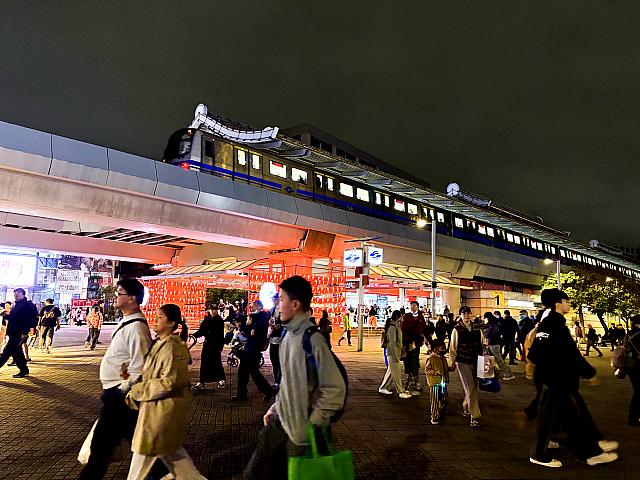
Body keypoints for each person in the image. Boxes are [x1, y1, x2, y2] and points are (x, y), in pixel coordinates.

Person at [244, 276, 346, 479]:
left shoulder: (313, 340)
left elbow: (336, 389)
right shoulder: (287, 335)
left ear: (295, 304)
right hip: (279, 424)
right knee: (254, 474)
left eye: (281, 299)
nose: (277, 305)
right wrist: (276, 407)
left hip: (299, 437)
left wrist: (312, 425)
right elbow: (288, 382)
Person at [528, 288, 618, 468]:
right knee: (568, 418)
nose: (568, 304)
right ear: (557, 303)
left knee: (568, 416)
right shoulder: (555, 324)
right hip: (558, 380)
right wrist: (590, 373)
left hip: (554, 379)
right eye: (566, 301)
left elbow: (535, 354)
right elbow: (571, 354)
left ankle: (591, 448)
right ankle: (587, 453)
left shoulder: (549, 323)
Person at [78, 279, 154, 480]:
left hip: (120, 395)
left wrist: (123, 388)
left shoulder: (137, 328)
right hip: (117, 393)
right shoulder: (128, 321)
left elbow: (140, 365)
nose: (115, 297)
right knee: (135, 440)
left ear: (132, 299)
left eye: (120, 293)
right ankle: (166, 469)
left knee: (102, 444)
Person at [124, 304, 206, 480]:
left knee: (141, 461)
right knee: (179, 463)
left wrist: (138, 390)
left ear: (171, 323)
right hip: (155, 411)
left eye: (160, 317)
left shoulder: (172, 347)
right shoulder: (160, 344)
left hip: (160, 413)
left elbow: (170, 382)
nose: (155, 319)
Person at [232, 300, 276, 402]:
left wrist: (245, 326)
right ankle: (242, 394)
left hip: (253, 348)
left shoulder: (261, 317)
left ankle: (268, 391)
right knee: (246, 372)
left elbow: (251, 332)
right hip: (251, 348)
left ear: (259, 306)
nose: (252, 308)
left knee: (252, 373)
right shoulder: (257, 316)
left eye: (253, 306)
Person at [449, 306, 483, 428]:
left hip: (476, 361)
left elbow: (482, 343)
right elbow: (453, 347)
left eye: (468, 313)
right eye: (464, 314)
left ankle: (465, 405)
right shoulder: (456, 329)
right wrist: (452, 362)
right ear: (460, 316)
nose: (467, 316)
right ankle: (474, 416)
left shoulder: (477, 328)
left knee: (474, 387)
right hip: (462, 361)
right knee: (470, 387)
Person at [0, 289, 37, 377]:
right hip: (13, 332)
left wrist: (29, 329)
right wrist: (6, 315)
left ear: (23, 294)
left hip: (20, 333)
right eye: (14, 293)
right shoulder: (15, 305)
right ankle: (24, 370)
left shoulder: (27, 305)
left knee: (6, 352)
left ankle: (24, 370)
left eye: (18, 293)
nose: (15, 295)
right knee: (17, 352)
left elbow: (31, 318)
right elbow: (14, 318)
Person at [192, 304, 226, 391]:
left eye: (215, 309)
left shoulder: (219, 320)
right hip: (207, 344)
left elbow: (221, 334)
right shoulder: (206, 319)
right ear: (209, 310)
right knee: (204, 363)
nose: (214, 311)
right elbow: (201, 331)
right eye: (212, 309)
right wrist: (194, 335)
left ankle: (221, 380)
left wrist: (220, 346)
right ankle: (202, 382)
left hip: (215, 345)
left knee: (217, 362)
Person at [379, 310, 412, 399]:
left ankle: (383, 387)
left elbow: (398, 342)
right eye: (401, 316)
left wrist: (402, 351)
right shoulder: (392, 327)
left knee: (391, 372)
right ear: (398, 317)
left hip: (395, 353)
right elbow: (392, 343)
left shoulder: (396, 326)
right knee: (397, 374)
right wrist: (395, 356)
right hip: (392, 354)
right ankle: (400, 391)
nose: (402, 318)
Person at [425, 339, 455, 424]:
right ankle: (434, 416)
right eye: (442, 348)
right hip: (434, 383)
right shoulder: (431, 358)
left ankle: (440, 411)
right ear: (435, 349)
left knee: (445, 399)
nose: (444, 350)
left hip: (442, 382)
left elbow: (445, 368)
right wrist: (436, 372)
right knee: (434, 400)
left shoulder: (443, 358)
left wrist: (450, 368)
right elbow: (427, 370)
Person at [401, 300, 427, 394]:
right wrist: (403, 343)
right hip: (408, 343)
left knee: (415, 361)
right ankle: (409, 378)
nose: (413, 307)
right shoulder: (406, 316)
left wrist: (430, 342)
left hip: (417, 343)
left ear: (418, 307)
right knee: (408, 361)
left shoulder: (420, 317)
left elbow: (424, 329)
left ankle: (415, 379)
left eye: (414, 305)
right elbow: (403, 330)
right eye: (411, 305)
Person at [482, 312, 515, 381]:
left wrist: (484, 333)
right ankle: (492, 373)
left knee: (499, 360)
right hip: (492, 344)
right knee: (491, 360)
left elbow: (488, 334)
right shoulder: (493, 324)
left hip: (494, 344)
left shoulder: (493, 325)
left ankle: (508, 373)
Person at [627, 315, 640, 427]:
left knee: (637, 391)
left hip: (631, 366)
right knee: (638, 392)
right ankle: (633, 418)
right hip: (638, 366)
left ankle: (634, 417)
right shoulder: (639, 334)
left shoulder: (628, 334)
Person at [268, 297, 284, 388]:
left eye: (275, 299)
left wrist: (281, 325)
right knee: (273, 359)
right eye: (273, 300)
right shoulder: (272, 310)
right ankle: (276, 380)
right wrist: (269, 323)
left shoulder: (283, 309)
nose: (274, 301)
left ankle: (279, 380)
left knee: (279, 360)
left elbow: (288, 322)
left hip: (281, 338)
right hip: (272, 337)